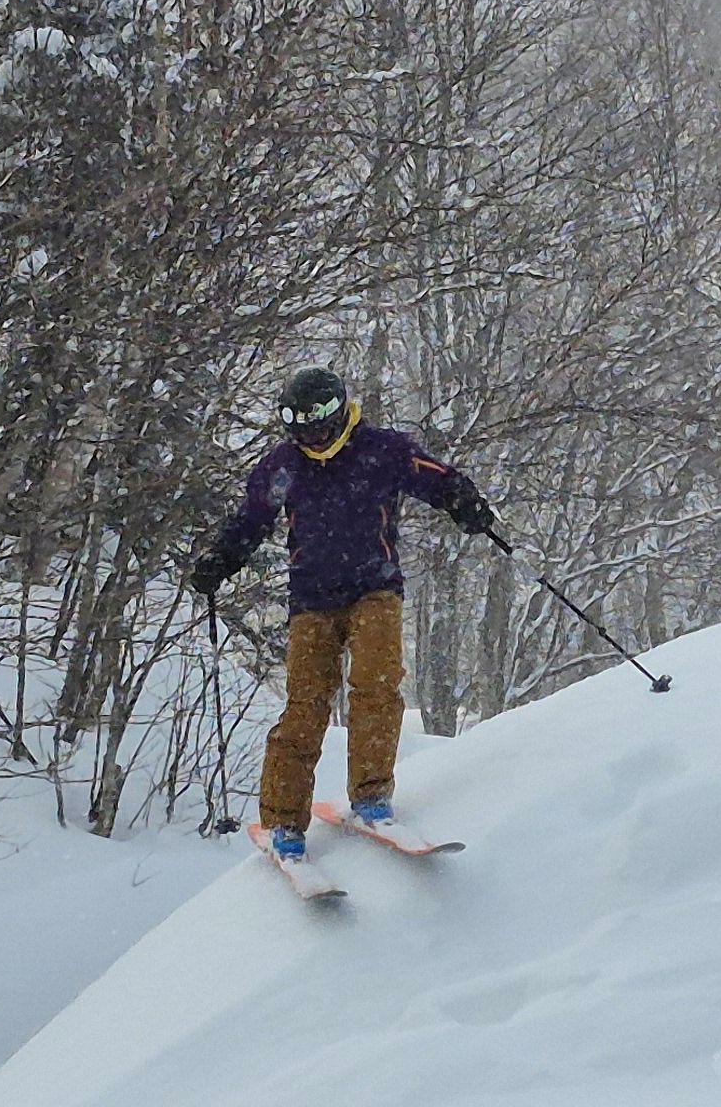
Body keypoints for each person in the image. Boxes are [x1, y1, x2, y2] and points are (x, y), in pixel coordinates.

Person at [186, 367, 494, 858]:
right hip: (312, 598)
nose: (312, 433)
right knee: (305, 706)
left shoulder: (383, 449)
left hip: (375, 587)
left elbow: (439, 480)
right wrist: (220, 562)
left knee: (376, 684)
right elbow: (250, 521)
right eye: (298, 424)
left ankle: (371, 796)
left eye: (319, 421)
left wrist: (467, 504)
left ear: (340, 410)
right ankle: (284, 822)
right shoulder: (281, 467)